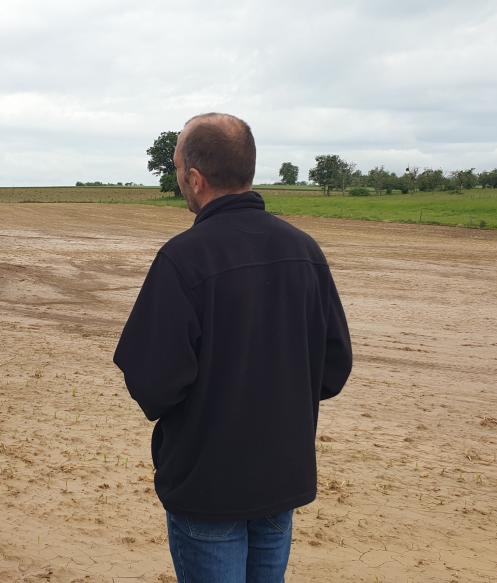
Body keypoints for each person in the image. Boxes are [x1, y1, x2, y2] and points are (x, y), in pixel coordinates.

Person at [114, 113, 353, 583]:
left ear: (196, 179)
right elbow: (333, 368)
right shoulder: (304, 250)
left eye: (179, 167)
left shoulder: (183, 258)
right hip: (281, 475)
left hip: (209, 485)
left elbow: (153, 385)